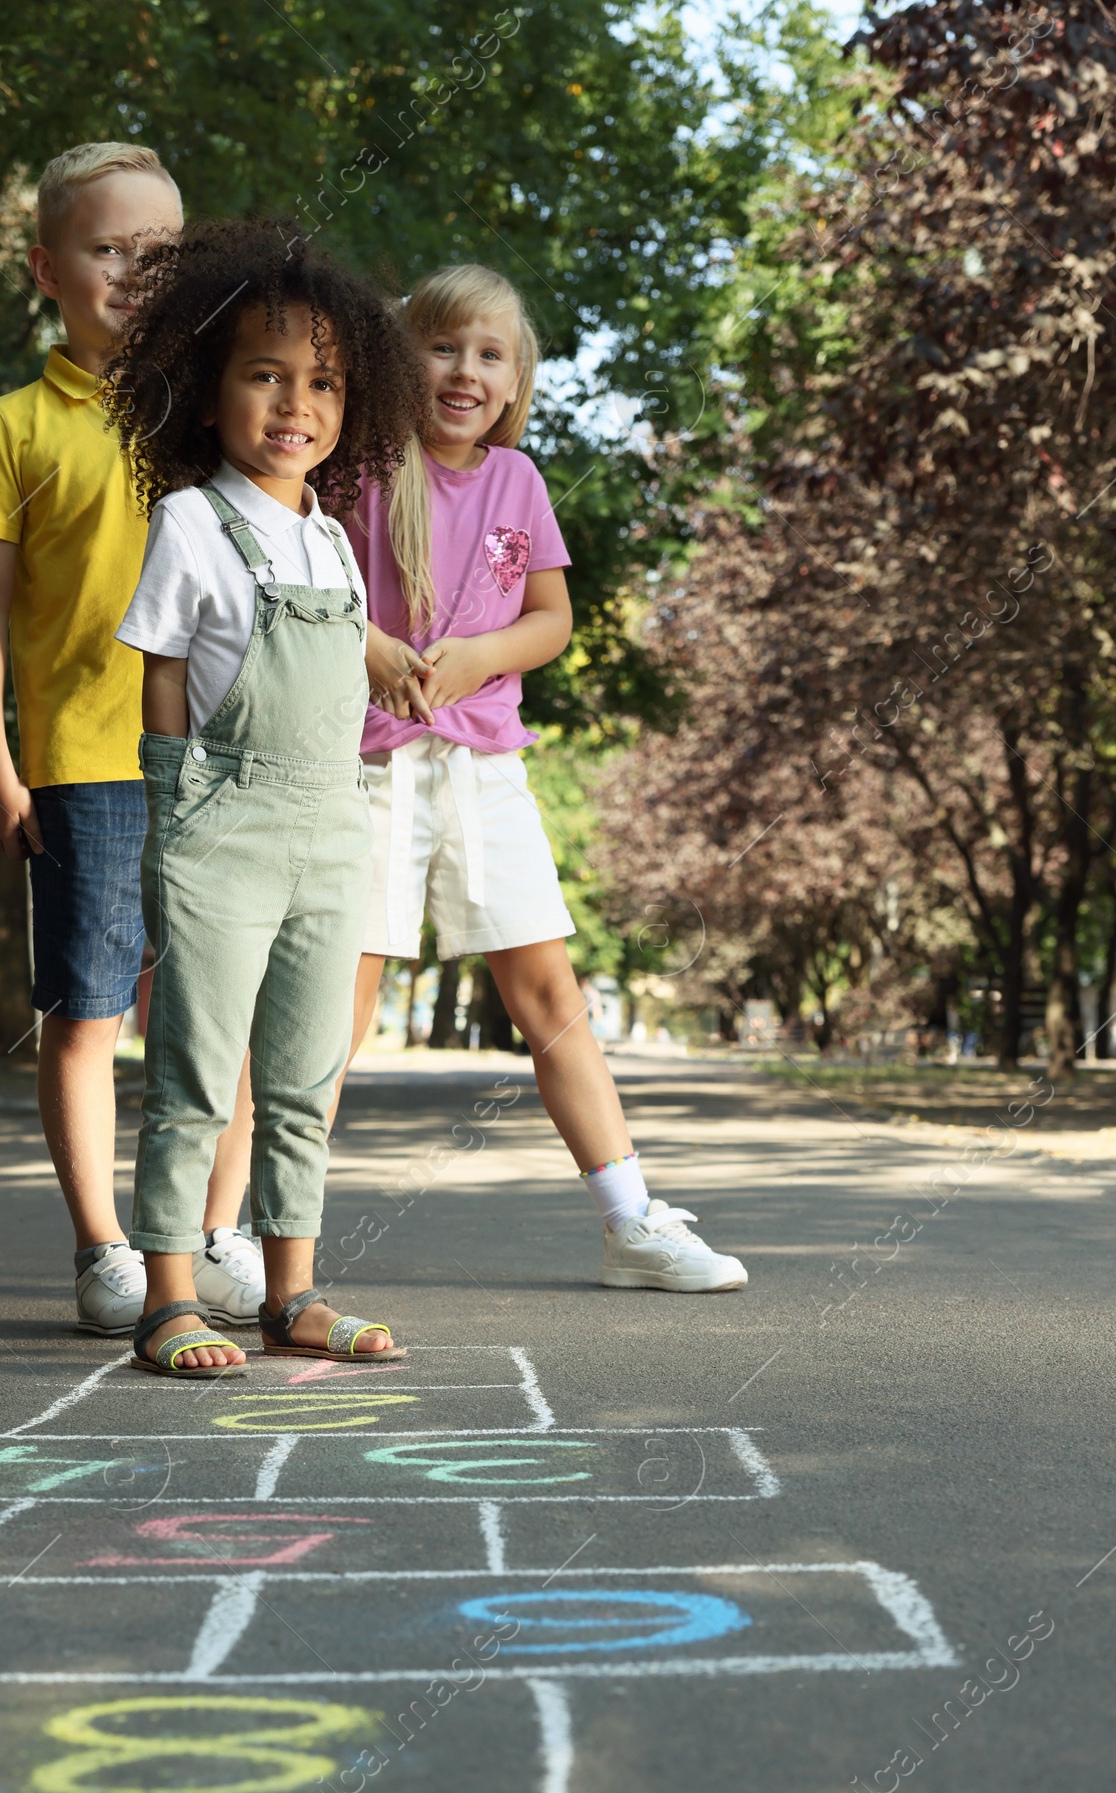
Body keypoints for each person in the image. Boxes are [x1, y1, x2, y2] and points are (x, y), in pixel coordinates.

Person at [342, 265, 748, 1294]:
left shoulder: (519, 481)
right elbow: (316, 603)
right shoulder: (357, 470)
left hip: (484, 772)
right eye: (441, 347)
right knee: (335, 1007)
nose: (463, 370)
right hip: (370, 768)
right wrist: (382, 651)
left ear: (516, 379)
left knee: (548, 994)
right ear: (403, 360)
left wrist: (481, 656)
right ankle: (252, 1228)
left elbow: (550, 618)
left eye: (488, 355)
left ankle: (630, 1220)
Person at [0, 142, 267, 1338]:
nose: (135, 270)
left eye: (160, 254)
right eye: (107, 248)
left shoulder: (221, 411)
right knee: (88, 1013)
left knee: (215, 1013)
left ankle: (215, 1228)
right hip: (83, 762)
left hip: (225, 766)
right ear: (46, 268)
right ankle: (104, 1246)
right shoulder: (15, 425)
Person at [107, 221, 427, 1374]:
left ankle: (292, 1291)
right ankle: (167, 1295)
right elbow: (159, 667)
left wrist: (390, 657)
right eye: (265, 374)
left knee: (303, 1078)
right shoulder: (192, 520)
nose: (296, 403)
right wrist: (174, 801)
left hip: (330, 829)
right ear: (205, 392)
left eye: (324, 383)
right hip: (221, 822)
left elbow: (341, 653)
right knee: (196, 1071)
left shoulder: (334, 541)